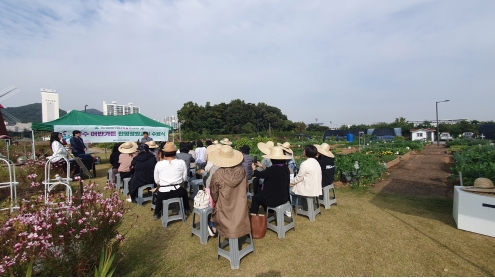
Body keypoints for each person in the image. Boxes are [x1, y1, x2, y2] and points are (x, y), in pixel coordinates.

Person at [209, 145, 250, 238]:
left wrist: (217, 202)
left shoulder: (217, 174)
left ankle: (213, 227)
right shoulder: (242, 171)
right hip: (241, 208)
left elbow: (214, 194)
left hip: (224, 209)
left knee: (215, 209)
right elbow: (246, 188)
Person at [152, 142, 191, 220]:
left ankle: (156, 213)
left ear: (164, 153)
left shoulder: (159, 164)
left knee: (159, 196)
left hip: (163, 192)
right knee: (184, 193)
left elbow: (157, 180)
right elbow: (184, 178)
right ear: (175, 152)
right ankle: (187, 209)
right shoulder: (181, 162)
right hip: (178, 190)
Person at [250, 146, 291, 215]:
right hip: (284, 197)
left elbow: (260, 175)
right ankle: (269, 211)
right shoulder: (284, 167)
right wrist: (261, 166)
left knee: (255, 198)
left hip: (274, 199)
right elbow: (270, 172)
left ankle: (253, 218)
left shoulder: (272, 170)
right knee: (262, 196)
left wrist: (254, 169)